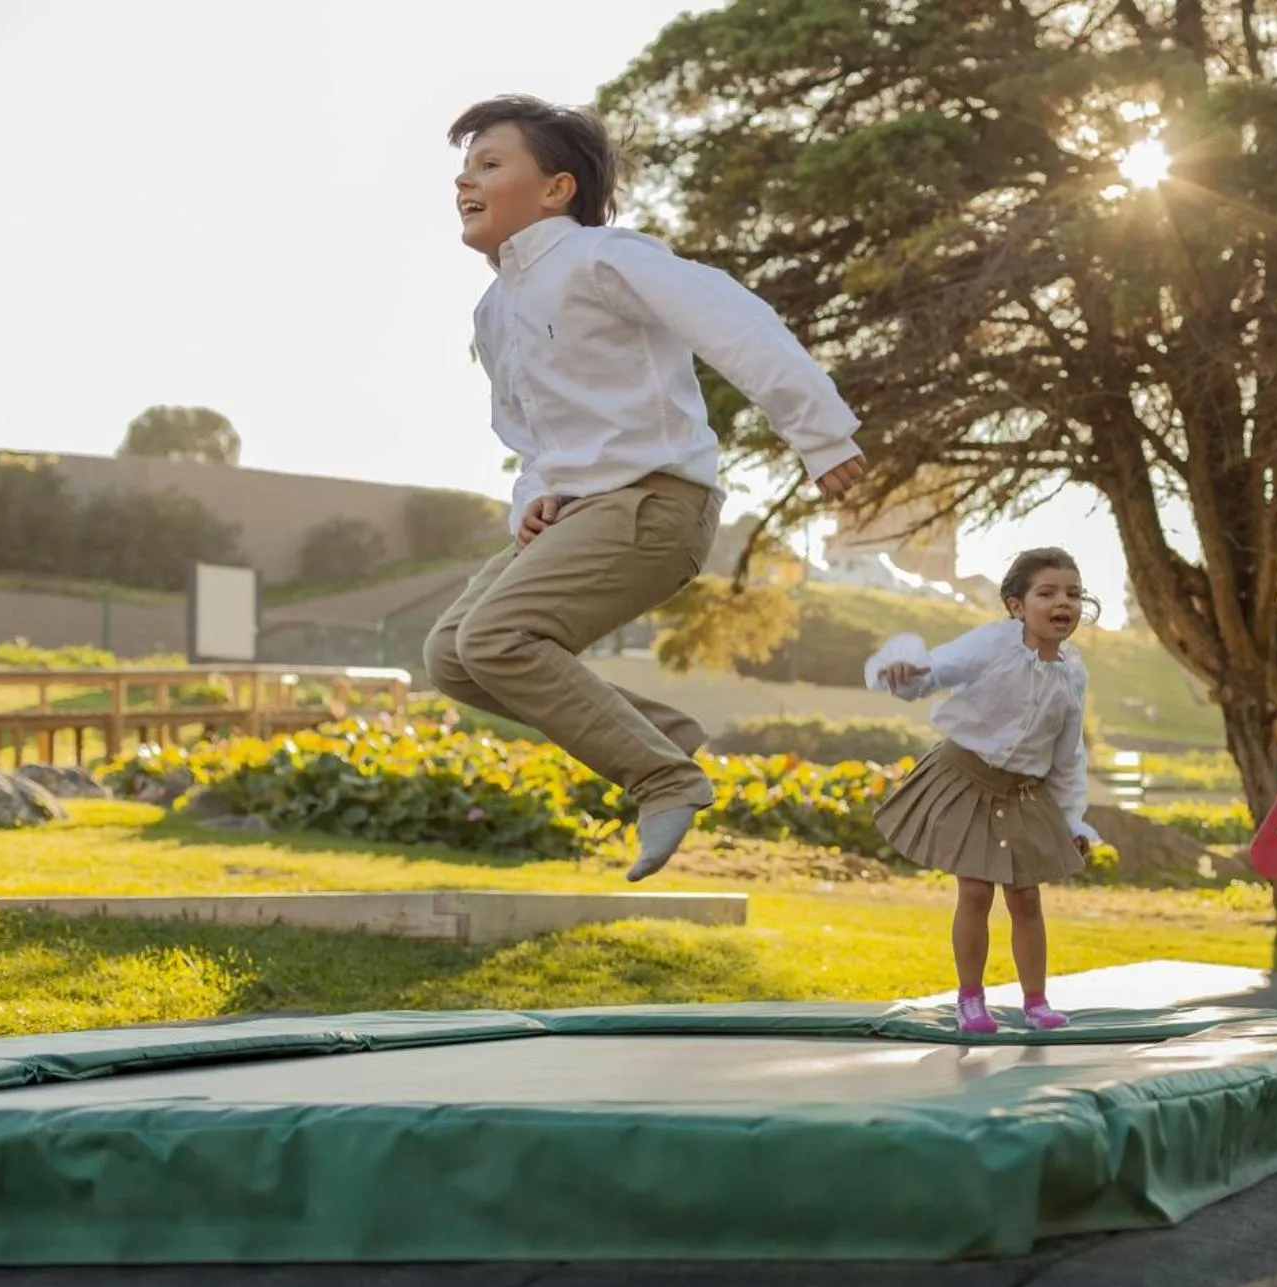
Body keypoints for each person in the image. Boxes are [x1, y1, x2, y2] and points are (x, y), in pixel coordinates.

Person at [422, 95, 866, 881]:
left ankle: (662, 776)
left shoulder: (604, 258)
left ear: (557, 189)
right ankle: (664, 738)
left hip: (657, 503)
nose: (466, 181)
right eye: (463, 168)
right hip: (580, 513)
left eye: (490, 164)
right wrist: (533, 498)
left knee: (496, 638)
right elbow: (529, 440)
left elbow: (735, 322)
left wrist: (820, 434)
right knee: (454, 657)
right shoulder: (494, 312)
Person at [869, 548, 1099, 1034]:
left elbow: (1067, 755)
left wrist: (1072, 819)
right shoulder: (993, 645)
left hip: (1023, 791)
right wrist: (907, 672)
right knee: (975, 891)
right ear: (1016, 606)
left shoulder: (1072, 674)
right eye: (1048, 593)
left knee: (1025, 897)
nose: (1064, 603)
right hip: (965, 777)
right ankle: (970, 1000)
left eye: (1074, 594)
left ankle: (1035, 1001)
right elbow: (938, 670)